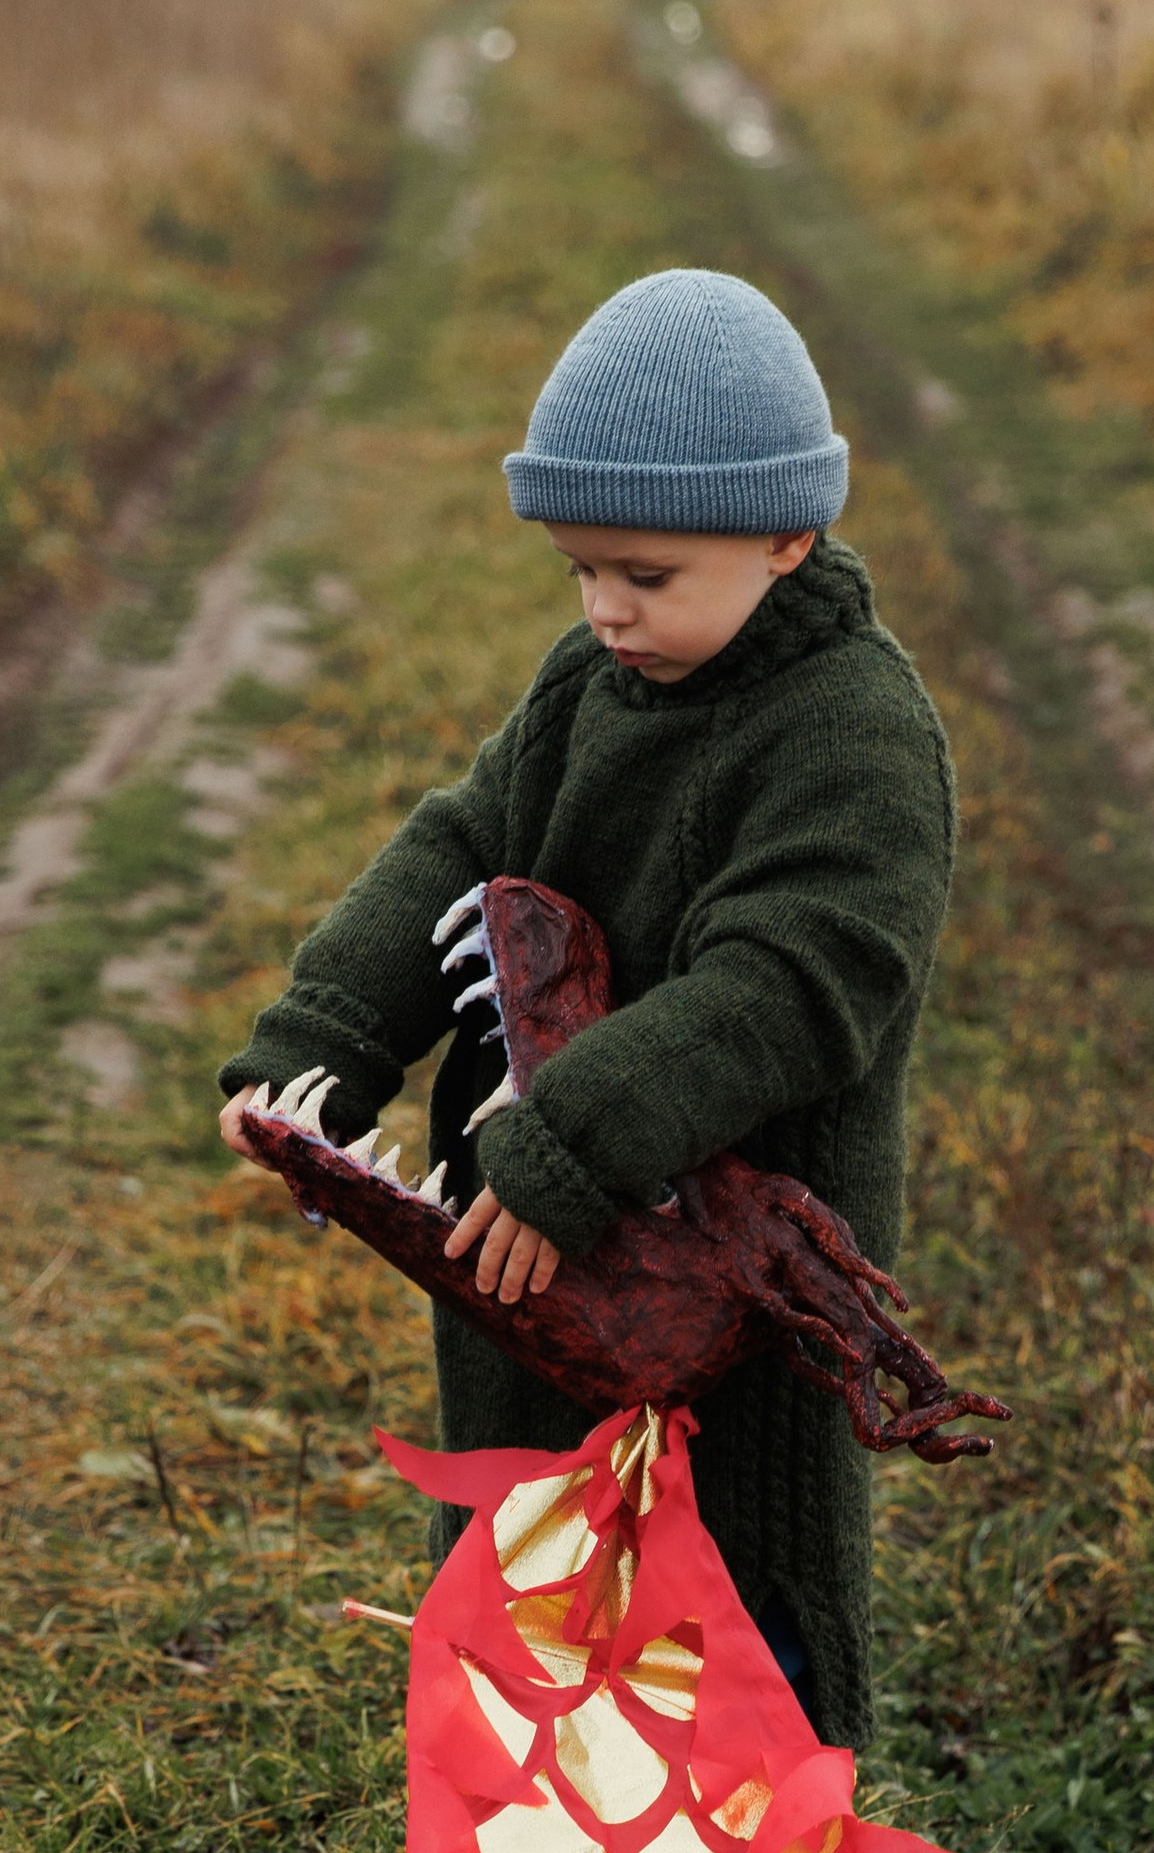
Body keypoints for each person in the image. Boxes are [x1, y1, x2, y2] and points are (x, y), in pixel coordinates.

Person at [216, 267, 955, 1747]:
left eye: (648, 576)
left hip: (725, 1291)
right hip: (529, 1266)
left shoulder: (859, 736)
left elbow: (786, 986)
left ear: (786, 535)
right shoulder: (588, 689)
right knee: (531, 1600)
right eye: (581, 572)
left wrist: (567, 1146)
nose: (606, 610)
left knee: (729, 1629)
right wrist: (318, 1049)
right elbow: (459, 849)